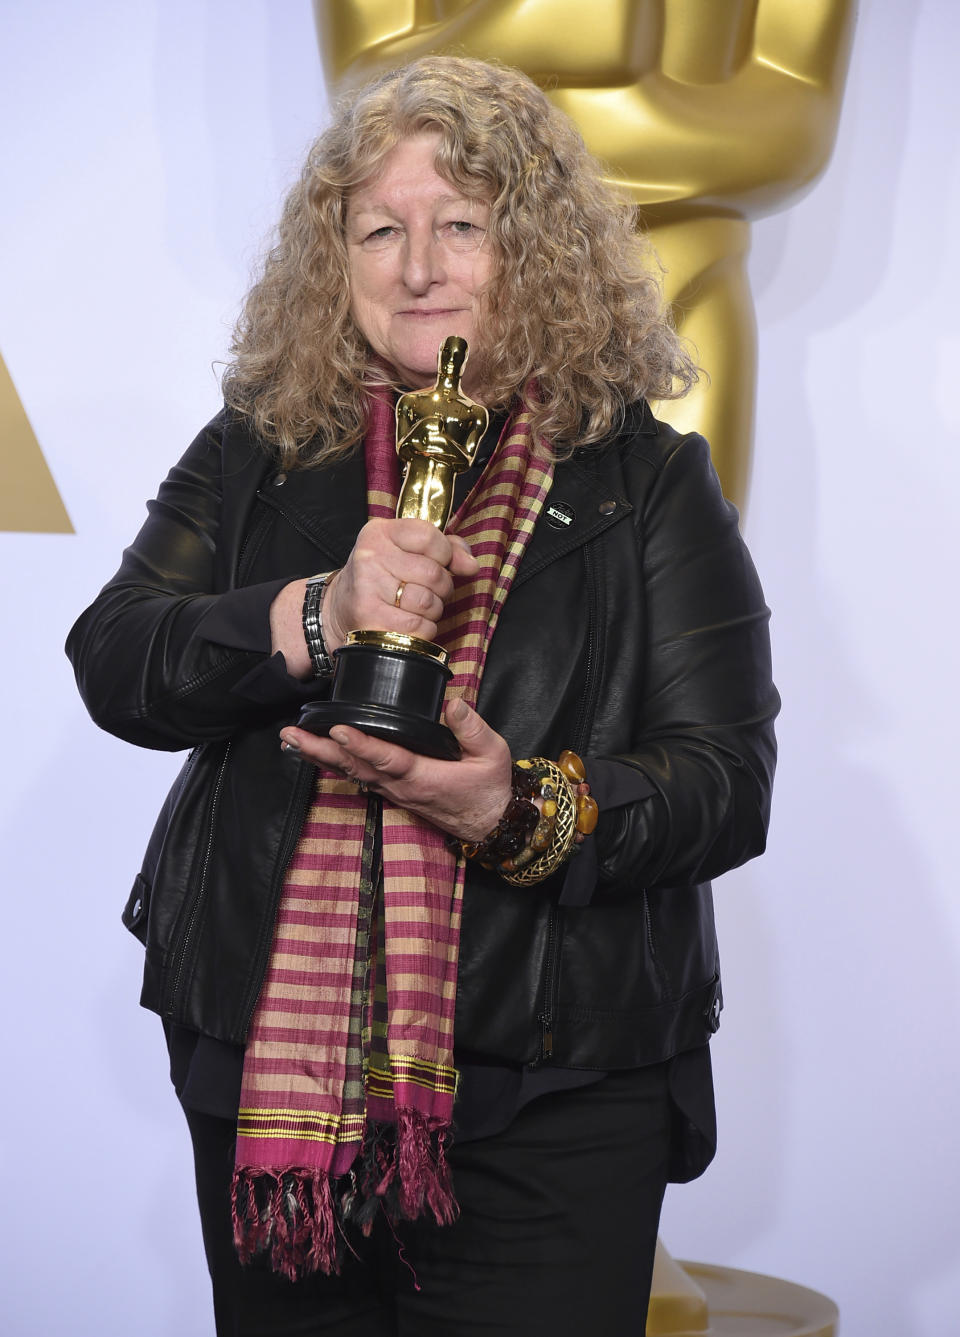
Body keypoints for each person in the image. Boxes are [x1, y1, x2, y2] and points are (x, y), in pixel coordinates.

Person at [67, 55, 778, 1337]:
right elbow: (117, 657)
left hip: (554, 1089)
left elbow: (724, 782)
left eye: (461, 224)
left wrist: (521, 806)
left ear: (536, 248)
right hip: (267, 1089)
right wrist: (314, 613)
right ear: (332, 258)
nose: (416, 266)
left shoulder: (652, 479)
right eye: (379, 229)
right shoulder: (256, 449)